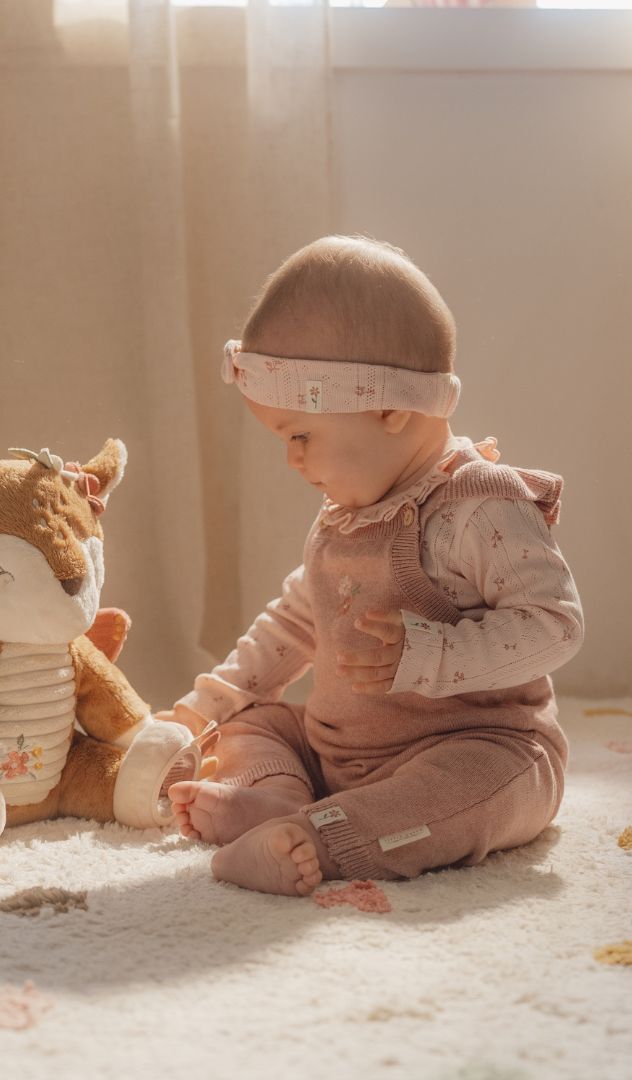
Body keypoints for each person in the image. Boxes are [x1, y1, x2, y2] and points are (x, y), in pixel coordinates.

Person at [163, 235, 584, 897]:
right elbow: (296, 622)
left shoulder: (480, 505)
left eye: (301, 435)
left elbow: (554, 626)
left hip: (477, 743)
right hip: (339, 753)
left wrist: (431, 653)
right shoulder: (347, 516)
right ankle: (279, 800)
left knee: (488, 789)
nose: (292, 459)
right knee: (255, 723)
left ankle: (321, 837)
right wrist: (203, 709)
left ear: (390, 408)